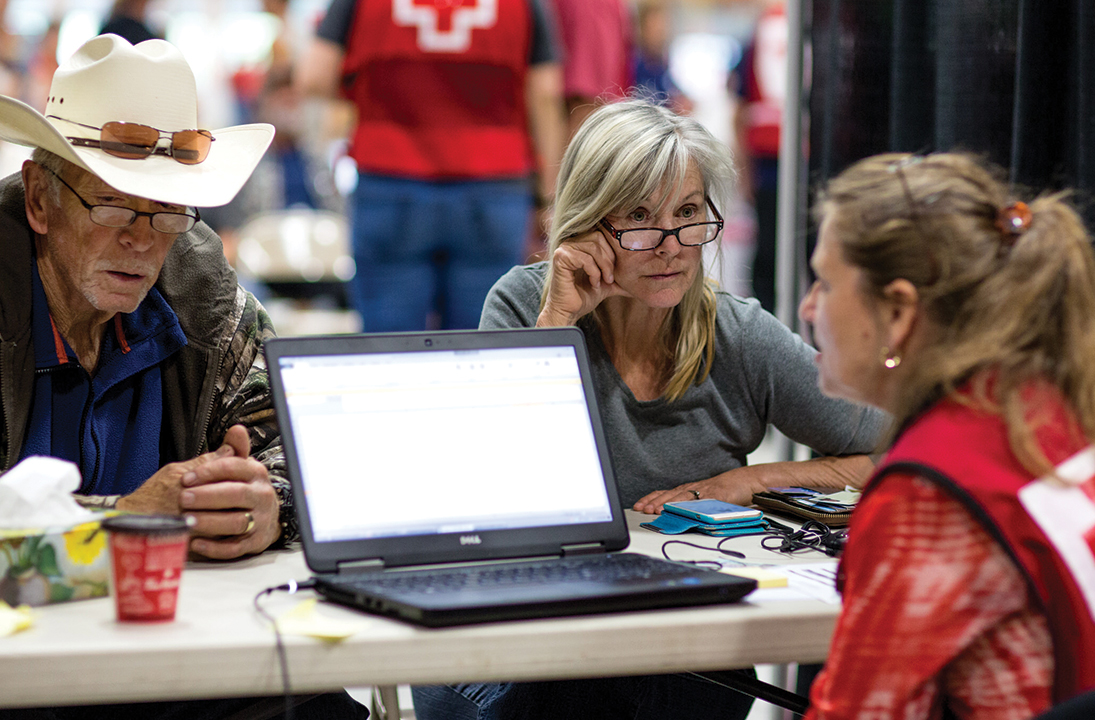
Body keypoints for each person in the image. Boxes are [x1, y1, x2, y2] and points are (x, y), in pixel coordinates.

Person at [411, 98, 886, 720]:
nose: (672, 246)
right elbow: (490, 487)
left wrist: (756, 479)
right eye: (638, 217)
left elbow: (903, 449)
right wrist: (558, 323)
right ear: (587, 221)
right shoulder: (527, 304)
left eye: (689, 213)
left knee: (697, 680)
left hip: (677, 648)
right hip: (521, 649)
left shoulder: (736, 332)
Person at [0, 31, 369, 720]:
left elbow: (305, 452)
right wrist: (124, 524)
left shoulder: (204, 295)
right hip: (16, 666)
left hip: (171, 659)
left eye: (168, 211)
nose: (143, 241)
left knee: (323, 709)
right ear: (40, 201)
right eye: (112, 205)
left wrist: (265, 503)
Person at [798, 152, 1095, 718]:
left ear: (899, 312)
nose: (809, 307)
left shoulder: (926, 493)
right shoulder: (1050, 410)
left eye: (826, 283)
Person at [297, 0, 567, 331]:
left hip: (390, 179)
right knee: (485, 345)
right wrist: (548, 194)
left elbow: (314, 77)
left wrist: (368, 92)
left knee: (390, 348)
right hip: (492, 185)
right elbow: (545, 93)